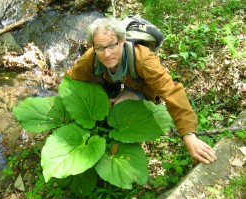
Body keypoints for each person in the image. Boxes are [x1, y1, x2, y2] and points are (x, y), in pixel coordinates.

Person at [66, 17, 217, 164]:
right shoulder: (91, 58)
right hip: (112, 81)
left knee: (121, 109)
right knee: (104, 105)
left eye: (112, 45)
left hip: (137, 85)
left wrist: (188, 135)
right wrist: (100, 98)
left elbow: (172, 92)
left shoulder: (144, 60)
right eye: (99, 48)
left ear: (122, 41)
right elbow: (71, 79)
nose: (106, 54)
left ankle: (128, 139)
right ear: (93, 46)